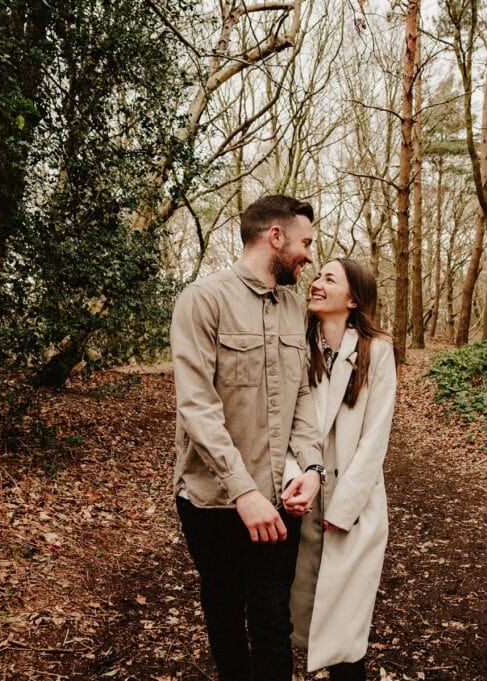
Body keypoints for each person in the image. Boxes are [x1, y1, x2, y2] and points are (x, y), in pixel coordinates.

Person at [170, 194, 326, 681]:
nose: (310, 255)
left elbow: (302, 395)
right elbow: (197, 406)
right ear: (274, 237)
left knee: (272, 621)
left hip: (281, 499)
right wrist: (244, 491)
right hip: (215, 500)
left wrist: (313, 467)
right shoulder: (203, 299)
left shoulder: (295, 307)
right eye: (305, 243)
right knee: (225, 615)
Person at [283, 257, 398, 681]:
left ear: (352, 298)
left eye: (329, 278)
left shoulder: (378, 351)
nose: (316, 283)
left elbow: (375, 439)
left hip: (354, 507)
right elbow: (286, 421)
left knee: (346, 631)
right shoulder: (297, 344)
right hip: (299, 498)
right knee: (290, 617)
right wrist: (293, 478)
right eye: (317, 276)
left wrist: (343, 507)